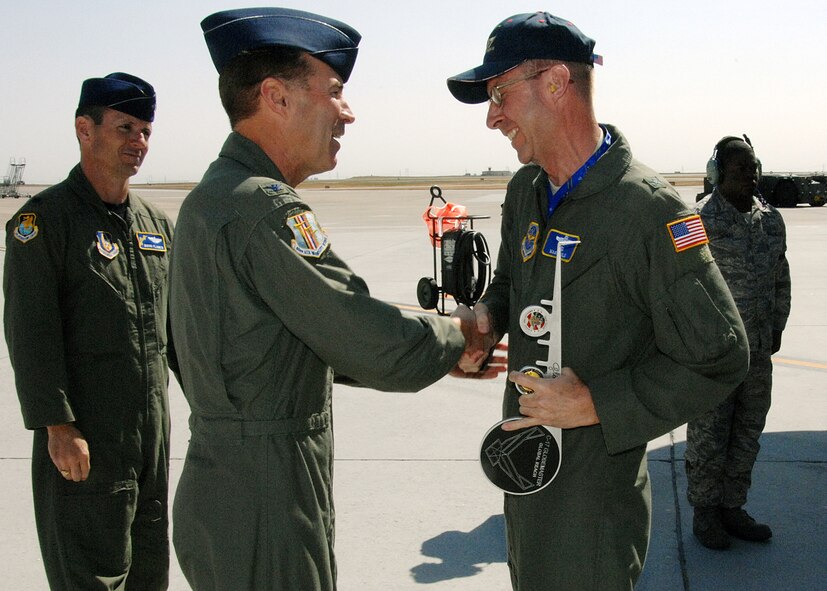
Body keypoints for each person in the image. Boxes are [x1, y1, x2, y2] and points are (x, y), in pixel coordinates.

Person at [170, 8, 486, 590]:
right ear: (276, 98)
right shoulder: (263, 207)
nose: (348, 111)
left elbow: (282, 348)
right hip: (267, 500)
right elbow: (363, 338)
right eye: (335, 92)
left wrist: (439, 357)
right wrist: (460, 336)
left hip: (232, 486)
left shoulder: (213, 199)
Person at [447, 12, 750, 590]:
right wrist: (486, 321)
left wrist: (596, 404)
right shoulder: (527, 190)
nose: (492, 118)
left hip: (593, 502)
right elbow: (512, 283)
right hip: (527, 476)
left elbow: (721, 355)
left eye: (499, 94)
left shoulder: (650, 210)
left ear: (556, 82)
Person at [3, 73, 175, 589]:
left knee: (149, 573)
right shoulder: (45, 222)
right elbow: (31, 333)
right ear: (85, 128)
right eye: (125, 128)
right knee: (90, 578)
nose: (139, 142)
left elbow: (176, 333)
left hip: (151, 437)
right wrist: (58, 426)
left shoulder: (154, 225)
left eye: (145, 131)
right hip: (86, 439)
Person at [685, 136, 791, 549]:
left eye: (753, 168)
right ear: (718, 174)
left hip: (759, 351)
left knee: (748, 429)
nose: (751, 175)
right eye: (740, 169)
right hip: (715, 353)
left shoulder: (770, 220)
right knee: (710, 434)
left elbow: (780, 275)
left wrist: (778, 324)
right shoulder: (698, 220)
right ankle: (705, 514)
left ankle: (733, 507)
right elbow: (683, 284)